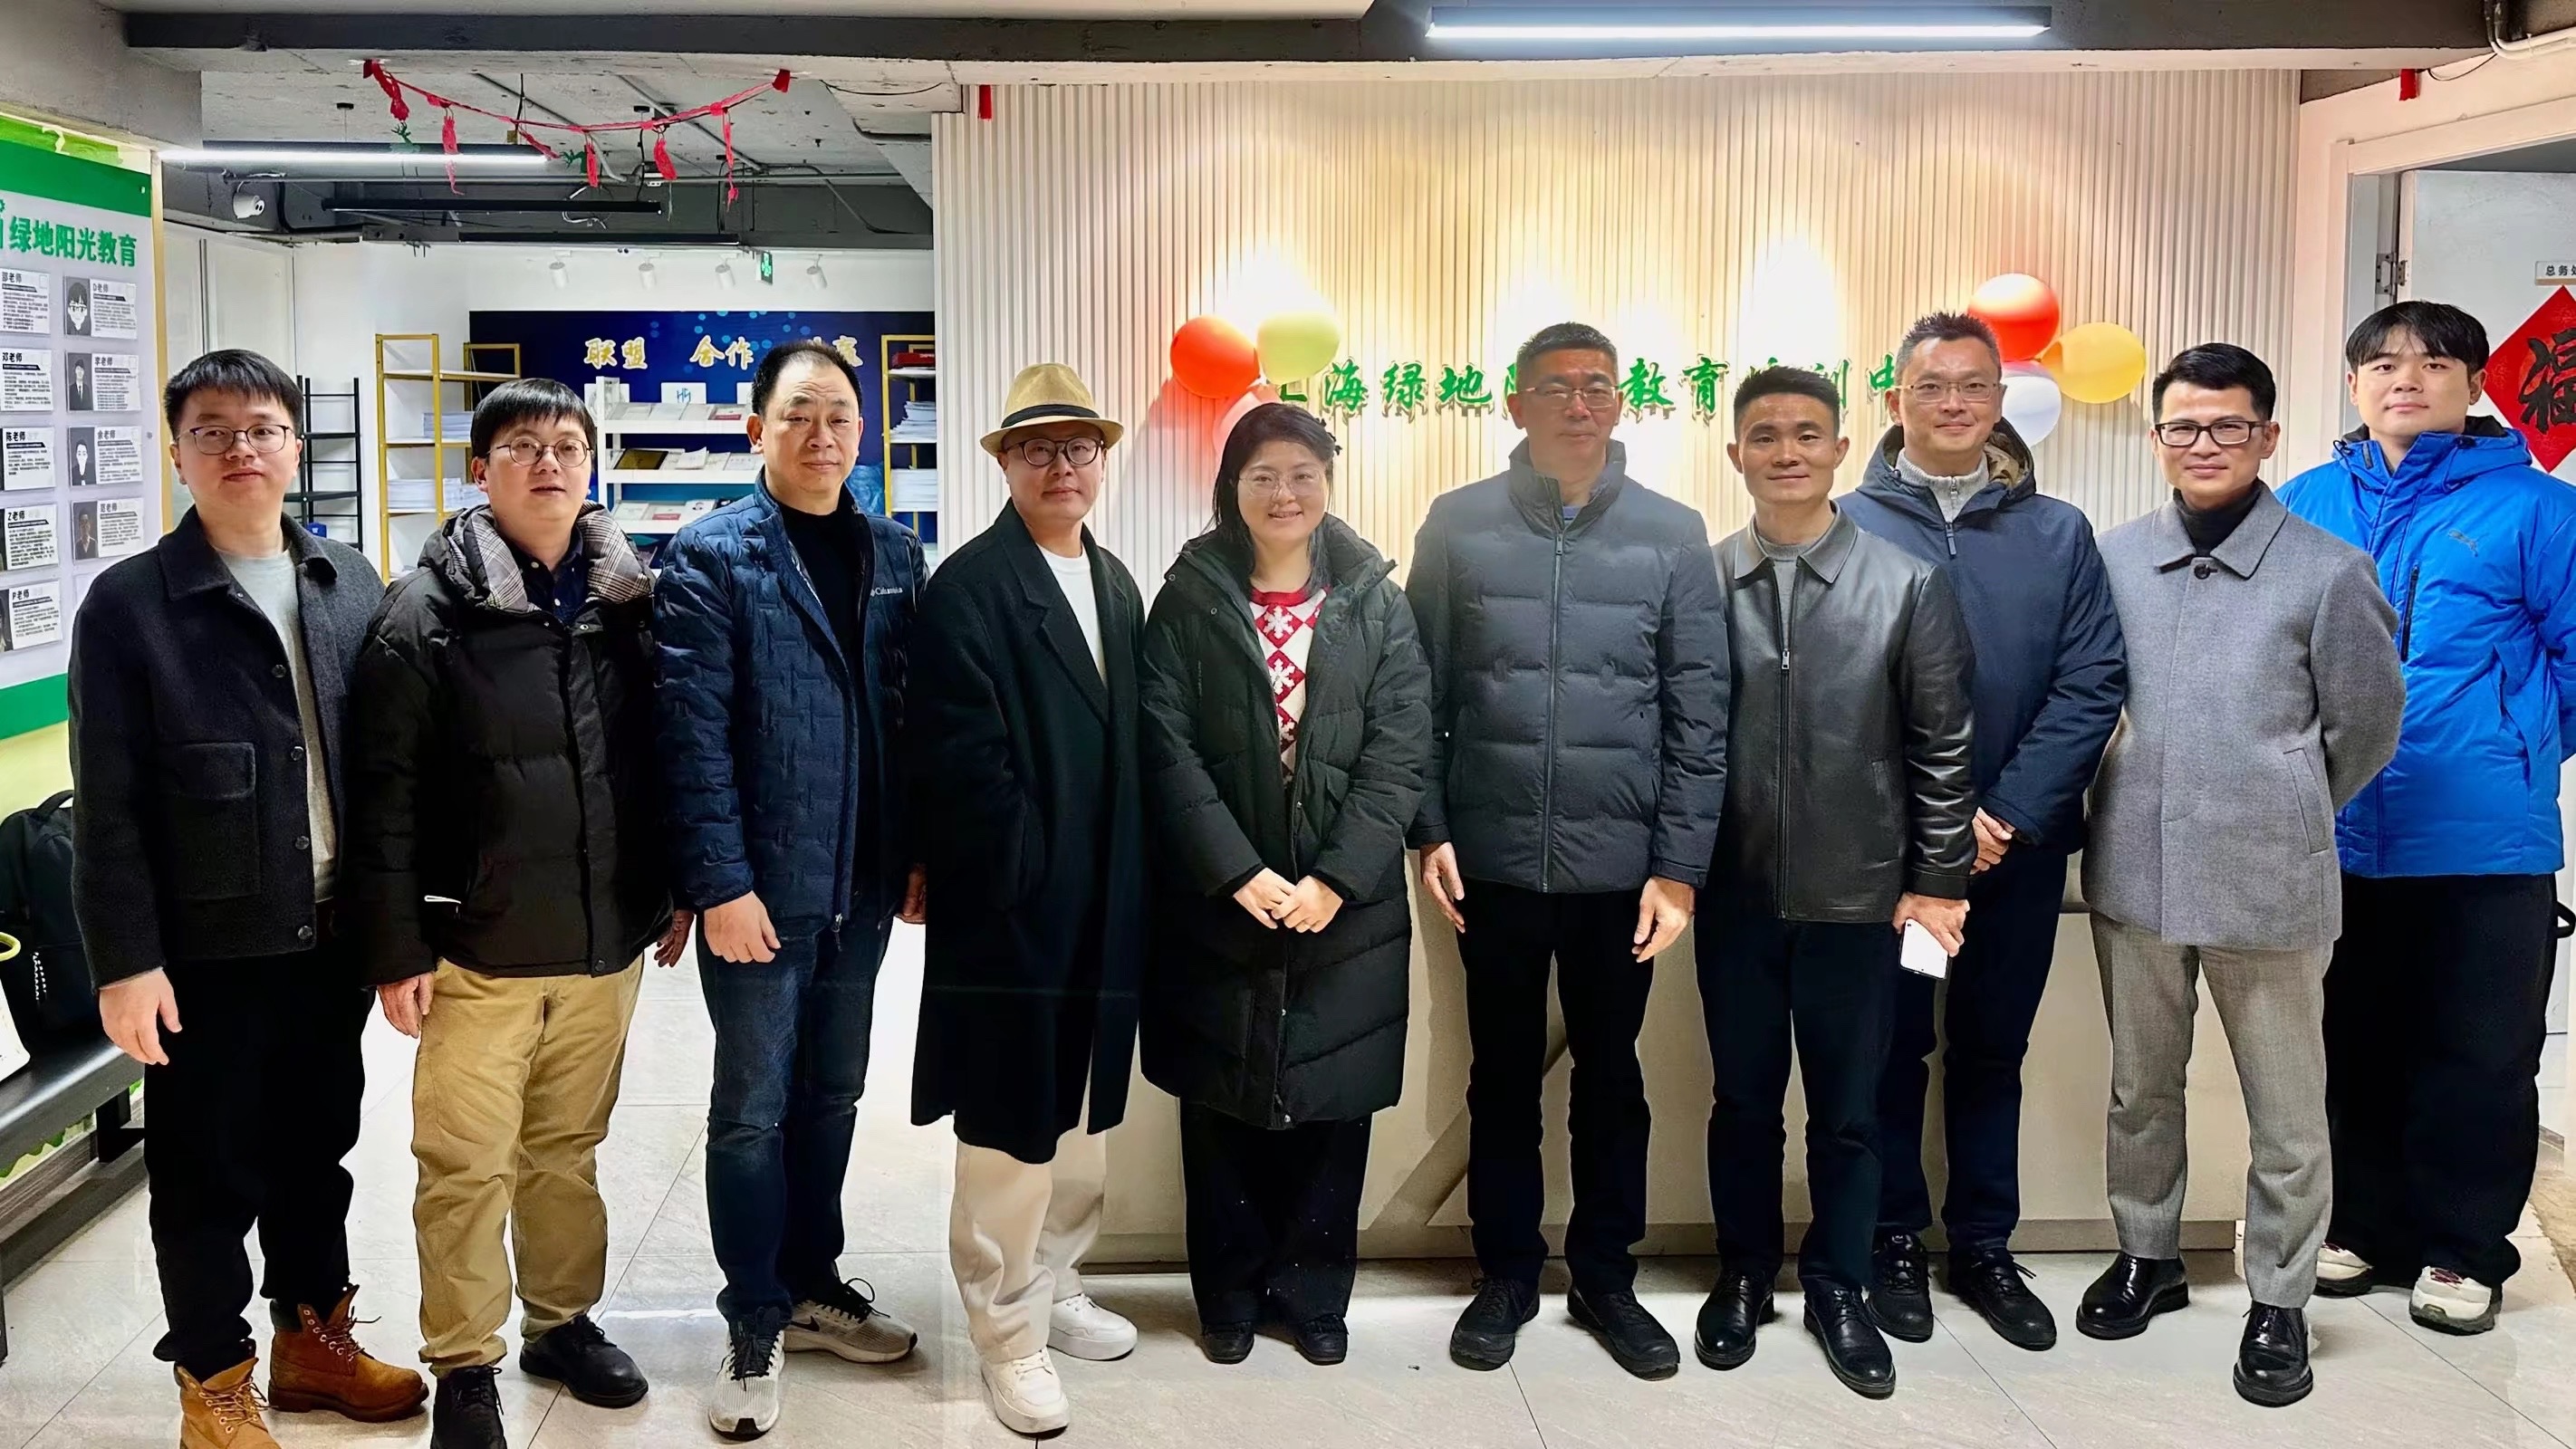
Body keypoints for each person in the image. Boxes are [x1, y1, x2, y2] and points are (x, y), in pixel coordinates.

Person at [71, 349, 425, 1449]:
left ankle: (311, 1340)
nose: (241, 449)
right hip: (202, 953)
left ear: (295, 446)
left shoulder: (346, 579)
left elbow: (386, 771)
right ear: (177, 452)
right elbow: (108, 803)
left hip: (328, 936)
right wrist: (127, 961)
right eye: (213, 431)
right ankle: (214, 1379)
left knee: (316, 1152)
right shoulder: (131, 604)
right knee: (203, 1174)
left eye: (262, 428)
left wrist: (399, 932)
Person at [345, 379, 697, 1447]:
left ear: (592, 466)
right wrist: (397, 947)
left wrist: (670, 887)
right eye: (522, 446)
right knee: (465, 1164)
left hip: (602, 945)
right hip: (477, 949)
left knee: (566, 1149)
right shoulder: (424, 612)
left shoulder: (631, 603)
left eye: (567, 445)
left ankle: (561, 1323)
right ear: (481, 471)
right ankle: (463, 1361)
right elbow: (385, 792)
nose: (548, 462)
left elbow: (662, 761)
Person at [2080, 343, 2404, 1406]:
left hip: (2270, 880)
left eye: (2228, 426)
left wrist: (2286, 800)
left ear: (2267, 435)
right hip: (2135, 869)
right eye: (2183, 426)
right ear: (2157, 439)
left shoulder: (2329, 569)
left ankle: (2280, 1296)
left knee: (2286, 1106)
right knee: (2140, 1085)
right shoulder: (2117, 558)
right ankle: (2148, 1253)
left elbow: (2366, 726)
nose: (2204, 444)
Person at [1406, 321, 1729, 1379]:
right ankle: (1505, 1272)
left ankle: (1604, 1276)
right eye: (1556, 387)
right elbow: (1419, 696)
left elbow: (1699, 714)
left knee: (1611, 1080)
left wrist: (1678, 866)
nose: (1578, 404)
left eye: (1596, 386)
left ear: (1620, 401)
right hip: (1490, 862)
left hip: (1621, 872)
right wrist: (1431, 827)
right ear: (1516, 403)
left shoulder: (1673, 533)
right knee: (1499, 1077)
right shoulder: (1457, 524)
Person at [2278, 300, 2576, 1335]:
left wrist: (2510, 745)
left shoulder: (2540, 510)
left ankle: (2464, 1247)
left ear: (2475, 385)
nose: (2407, 379)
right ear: (2354, 384)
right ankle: (2362, 1225)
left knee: (2480, 1052)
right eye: (2384, 364)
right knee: (2352, 1040)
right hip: (2339, 830)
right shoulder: (2305, 502)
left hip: (2483, 839)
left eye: (2436, 363)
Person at [1841, 312, 2127, 1351]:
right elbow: (1831, 693)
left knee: (1993, 1047)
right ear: (1896, 400)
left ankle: (1984, 1244)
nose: (1954, 402)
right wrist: (1929, 828)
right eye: (1932, 386)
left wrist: (2000, 815)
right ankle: (1891, 1238)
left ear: (2002, 401)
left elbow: (2092, 680)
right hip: (1892, 863)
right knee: (1891, 1050)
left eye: (1973, 385)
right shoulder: (1843, 525)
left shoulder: (2059, 533)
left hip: (2015, 851)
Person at [656, 340, 925, 1439]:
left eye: (841, 417)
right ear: (755, 428)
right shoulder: (712, 555)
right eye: (800, 415)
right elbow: (691, 735)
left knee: (833, 1095)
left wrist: (915, 851)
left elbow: (908, 715)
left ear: (864, 432)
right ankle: (755, 1313)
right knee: (752, 1109)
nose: (823, 436)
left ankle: (814, 1284)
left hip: (863, 888)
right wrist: (719, 882)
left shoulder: (895, 552)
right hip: (760, 894)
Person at [1697, 366, 1975, 1399]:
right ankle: (1742, 1274)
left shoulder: (1906, 584)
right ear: (1736, 454)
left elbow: (1944, 746)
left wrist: (1937, 879)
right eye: (1766, 435)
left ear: (1841, 449)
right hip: (1732, 894)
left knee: (1851, 1112)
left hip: (1863, 900)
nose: (1787, 452)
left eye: (1807, 434)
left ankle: (1839, 1285)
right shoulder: (1700, 582)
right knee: (1741, 1103)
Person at [1138, 403, 1432, 1368]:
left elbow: (1400, 750)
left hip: (1347, 908)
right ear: (1233, 487)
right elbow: (1165, 748)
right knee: (1222, 1102)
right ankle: (1226, 1295)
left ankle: (1313, 1295)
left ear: (1327, 482)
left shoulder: (1377, 601)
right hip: (1220, 897)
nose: (1284, 493)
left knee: (1333, 1104)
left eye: (1302, 473)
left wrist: (1338, 878)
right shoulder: (1188, 599)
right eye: (1262, 474)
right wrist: (1236, 868)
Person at [908, 363, 1149, 1437]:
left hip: (1107, 901)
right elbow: (964, 766)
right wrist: (1032, 876)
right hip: (1015, 911)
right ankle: (1005, 1330)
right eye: (1038, 448)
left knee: (1085, 1117)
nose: (1062, 466)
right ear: (1005, 463)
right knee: (1012, 1128)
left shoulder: (1116, 583)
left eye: (1079, 447)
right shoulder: (970, 588)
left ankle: (1056, 1283)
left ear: (1101, 461)